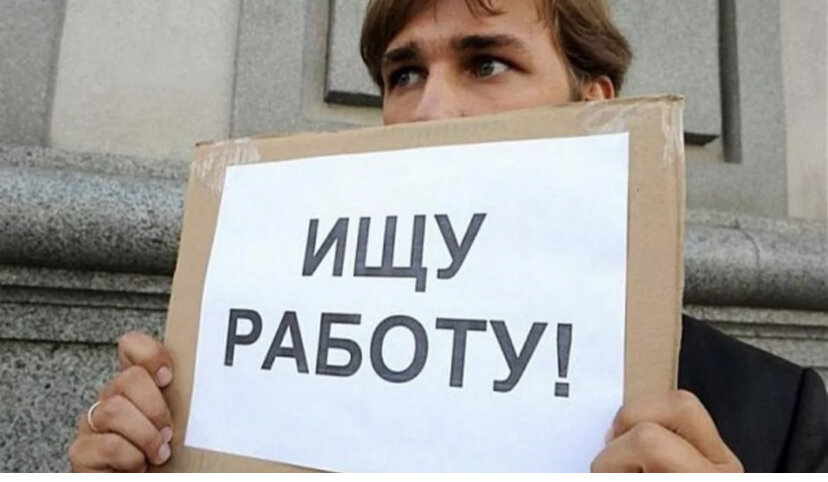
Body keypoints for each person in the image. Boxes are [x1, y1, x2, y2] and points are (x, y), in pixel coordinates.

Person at [68, 0, 828, 472]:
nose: (429, 112)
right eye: (403, 75)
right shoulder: (279, 385)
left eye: (487, 63)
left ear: (594, 106)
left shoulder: (777, 414)